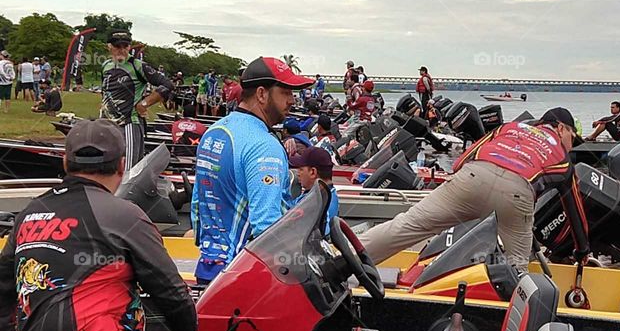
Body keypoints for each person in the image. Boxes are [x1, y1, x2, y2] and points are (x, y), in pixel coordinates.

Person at [0, 119, 226, 331]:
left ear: (65, 163)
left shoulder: (30, 213)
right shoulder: (124, 214)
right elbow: (171, 292)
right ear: (121, 165)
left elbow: (4, 285)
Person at [359, 107, 591, 269]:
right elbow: (575, 211)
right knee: (516, 265)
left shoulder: (508, 128)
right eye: (573, 137)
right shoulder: (562, 158)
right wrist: (582, 250)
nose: (572, 145)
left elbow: (462, 161)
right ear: (560, 128)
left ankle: (343, 262)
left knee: (408, 225)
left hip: (472, 176)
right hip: (517, 194)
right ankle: (509, 317)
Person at [191, 56, 314, 284]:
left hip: (208, 268)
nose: (292, 100)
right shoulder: (263, 145)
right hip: (240, 277)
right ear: (261, 94)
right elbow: (267, 227)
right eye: (285, 92)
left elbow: (197, 204)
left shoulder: (213, 132)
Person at [100, 29, 174, 169]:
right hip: (107, 125)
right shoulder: (105, 66)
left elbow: (167, 84)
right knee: (108, 167)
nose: (121, 50)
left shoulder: (137, 65)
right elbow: (105, 91)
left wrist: (145, 103)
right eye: (117, 46)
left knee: (128, 170)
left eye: (125, 46)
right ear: (109, 46)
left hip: (129, 124)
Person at [289, 147, 339, 234]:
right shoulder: (320, 195)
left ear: (313, 172)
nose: (298, 173)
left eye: (301, 169)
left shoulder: (319, 203)